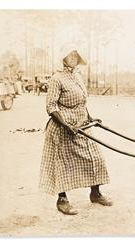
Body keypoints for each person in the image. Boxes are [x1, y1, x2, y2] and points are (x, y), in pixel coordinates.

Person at [39, 46, 112, 215]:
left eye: (75, 55)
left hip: (82, 126)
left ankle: (95, 193)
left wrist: (90, 118)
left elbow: (82, 102)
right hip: (62, 129)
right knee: (63, 165)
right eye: (69, 55)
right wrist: (66, 125)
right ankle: (62, 200)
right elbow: (50, 106)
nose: (72, 57)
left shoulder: (78, 76)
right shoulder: (56, 78)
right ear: (63, 57)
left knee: (96, 158)